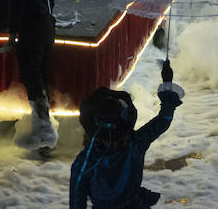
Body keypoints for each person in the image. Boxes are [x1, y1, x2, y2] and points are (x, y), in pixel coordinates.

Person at [69, 70, 185, 209]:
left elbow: (77, 203)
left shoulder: (84, 162)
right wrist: (167, 82)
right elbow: (164, 119)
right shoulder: (136, 143)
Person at [9, 0, 58, 149]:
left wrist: (12, 32)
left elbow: (17, 2)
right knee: (39, 77)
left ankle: (44, 133)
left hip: (32, 29)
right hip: (48, 27)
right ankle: (43, 129)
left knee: (32, 79)